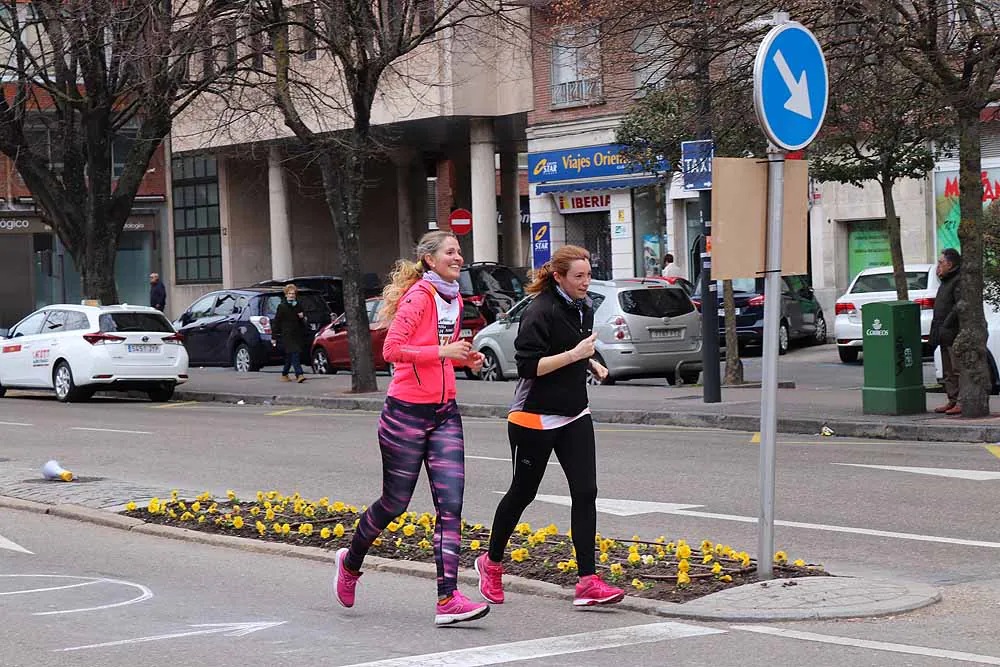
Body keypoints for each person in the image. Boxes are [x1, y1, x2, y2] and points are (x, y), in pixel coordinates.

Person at [333, 231, 489, 626]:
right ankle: (350, 564)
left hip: (444, 413)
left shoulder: (453, 297)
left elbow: (440, 353)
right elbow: (391, 350)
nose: (458, 256)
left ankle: (448, 599)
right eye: (450, 252)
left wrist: (462, 360)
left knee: (451, 507)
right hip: (405, 414)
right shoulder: (420, 296)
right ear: (430, 259)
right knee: (394, 504)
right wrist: (442, 352)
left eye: (459, 251)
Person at [475, 245, 625, 608]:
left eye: (588, 275)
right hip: (534, 416)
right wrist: (575, 356)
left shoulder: (582, 306)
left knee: (586, 491)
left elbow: (575, 345)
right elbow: (528, 366)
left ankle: (587, 581)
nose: (586, 283)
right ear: (558, 276)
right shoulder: (539, 311)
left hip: (574, 412)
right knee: (523, 493)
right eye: (578, 277)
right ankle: (491, 563)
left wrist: (592, 364)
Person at [931, 248, 962, 415]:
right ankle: (952, 399)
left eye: (941, 263)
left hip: (953, 331)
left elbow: (958, 306)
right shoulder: (945, 280)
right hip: (943, 332)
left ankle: (961, 402)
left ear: (950, 264)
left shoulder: (957, 280)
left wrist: (947, 324)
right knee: (947, 370)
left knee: (957, 368)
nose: (938, 267)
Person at [272, 284, 308, 383]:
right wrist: (274, 336)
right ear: (286, 295)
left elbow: (303, 321)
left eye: (293, 293)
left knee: (289, 355)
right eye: (289, 293)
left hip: (297, 334)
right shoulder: (282, 306)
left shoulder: (298, 305)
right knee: (295, 353)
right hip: (287, 334)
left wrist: (302, 317)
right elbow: (277, 322)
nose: (291, 295)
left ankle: (284, 374)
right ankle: (299, 374)